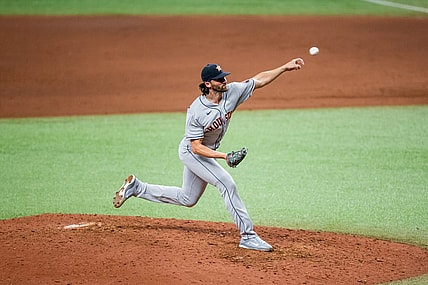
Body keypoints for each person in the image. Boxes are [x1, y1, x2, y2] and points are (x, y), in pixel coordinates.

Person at [113, 58, 305, 251]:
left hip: (205, 151)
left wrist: (284, 68)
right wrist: (224, 157)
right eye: (219, 79)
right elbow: (196, 147)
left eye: (224, 78)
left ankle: (137, 187)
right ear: (207, 84)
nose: (224, 81)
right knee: (227, 184)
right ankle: (248, 236)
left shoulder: (232, 92)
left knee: (188, 198)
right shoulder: (197, 111)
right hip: (193, 152)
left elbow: (258, 80)